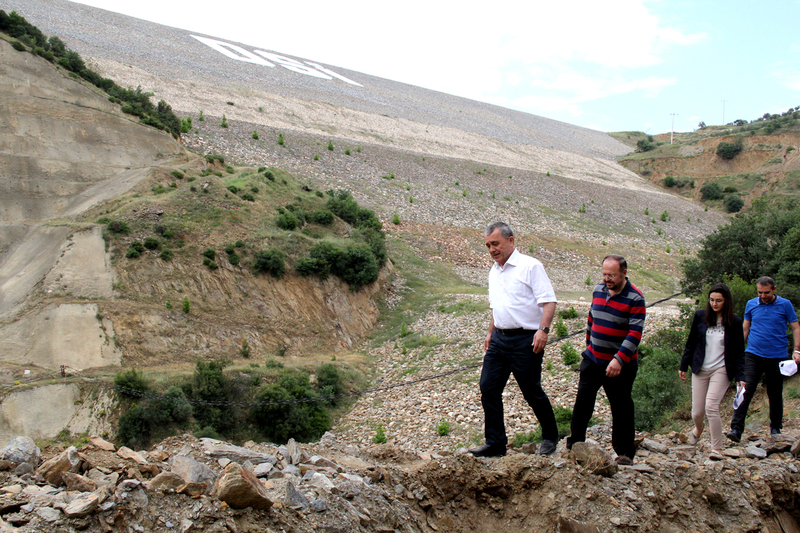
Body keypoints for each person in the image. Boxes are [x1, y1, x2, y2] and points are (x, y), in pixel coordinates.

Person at [469, 222, 559, 457]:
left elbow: (549, 301)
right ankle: (495, 443)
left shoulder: (530, 266)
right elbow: (497, 307)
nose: (491, 249)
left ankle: (550, 436)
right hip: (499, 338)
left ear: (510, 241)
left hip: (526, 339)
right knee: (488, 388)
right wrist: (490, 333)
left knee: (531, 391)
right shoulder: (493, 271)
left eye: (495, 244)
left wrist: (543, 330)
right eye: (488, 245)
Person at [566, 254, 645, 465]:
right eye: (604, 274)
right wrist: (588, 347)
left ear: (624, 273)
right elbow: (591, 319)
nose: (607, 279)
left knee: (621, 407)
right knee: (582, 403)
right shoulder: (598, 290)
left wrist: (619, 359)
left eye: (612, 275)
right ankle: (574, 444)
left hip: (621, 364)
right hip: (593, 360)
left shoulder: (636, 298)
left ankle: (624, 452)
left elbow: (635, 334)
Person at [727, 276, 800, 442]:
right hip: (753, 354)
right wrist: (738, 352)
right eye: (760, 292)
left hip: (778, 356)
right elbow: (745, 328)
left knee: (774, 393)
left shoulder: (785, 304)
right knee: (745, 389)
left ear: (774, 289)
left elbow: (795, 327)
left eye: (766, 292)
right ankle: (736, 429)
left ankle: (775, 429)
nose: (763, 295)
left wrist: (797, 351)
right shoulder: (751, 304)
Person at [679, 283, 745, 454]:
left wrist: (740, 376)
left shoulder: (735, 322)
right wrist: (683, 365)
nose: (714, 304)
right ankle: (698, 429)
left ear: (726, 302)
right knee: (697, 412)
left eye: (719, 301)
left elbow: (739, 352)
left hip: (722, 369)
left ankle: (716, 448)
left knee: (711, 406)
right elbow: (691, 342)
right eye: (712, 300)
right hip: (700, 367)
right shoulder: (700, 316)